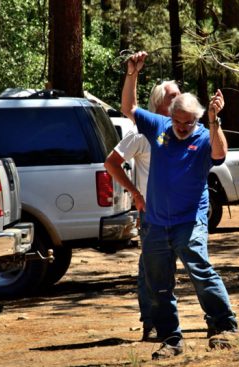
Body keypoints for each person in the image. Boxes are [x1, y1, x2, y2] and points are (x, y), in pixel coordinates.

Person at [121, 51, 239, 359]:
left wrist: (214, 122)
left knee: (200, 268)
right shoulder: (159, 127)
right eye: (179, 122)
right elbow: (129, 108)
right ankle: (170, 339)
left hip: (190, 219)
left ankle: (224, 326)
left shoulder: (203, 135)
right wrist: (133, 74)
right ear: (170, 115)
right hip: (157, 222)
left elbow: (219, 155)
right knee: (158, 283)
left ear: (197, 120)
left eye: (190, 123)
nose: (184, 127)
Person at [104, 80, 180, 341]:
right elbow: (111, 163)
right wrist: (135, 193)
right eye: (173, 97)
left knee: (170, 270)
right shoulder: (141, 133)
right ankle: (152, 323)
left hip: (179, 214)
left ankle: (168, 322)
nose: (179, 100)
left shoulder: (182, 131)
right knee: (150, 270)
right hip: (152, 213)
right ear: (159, 103)